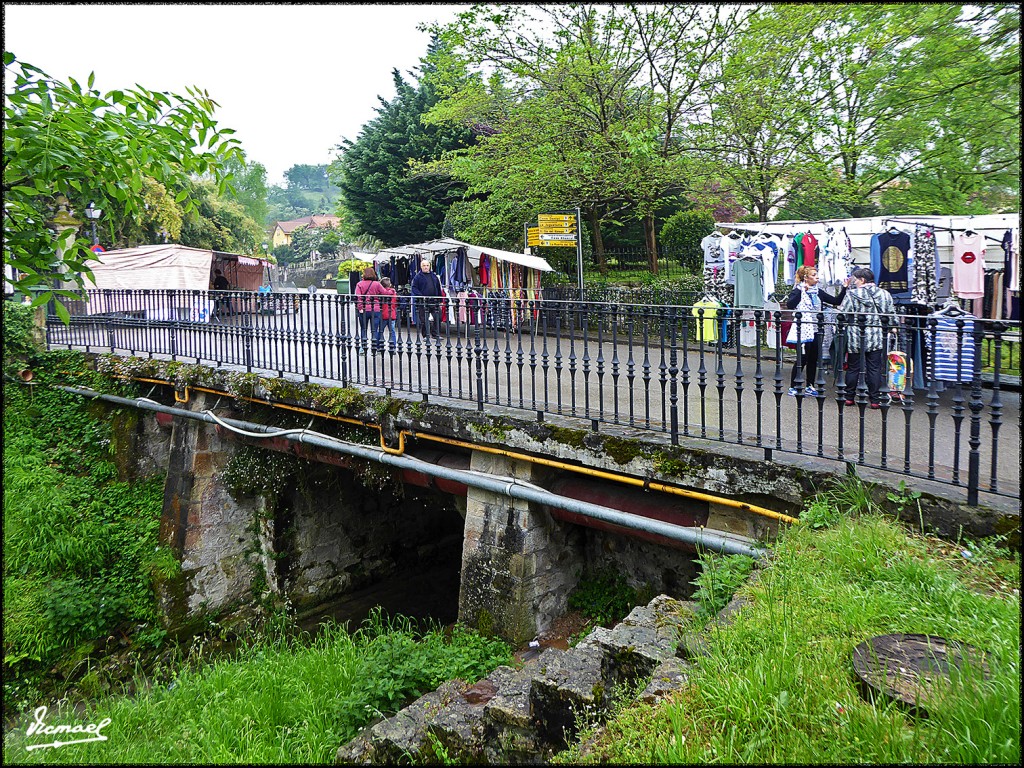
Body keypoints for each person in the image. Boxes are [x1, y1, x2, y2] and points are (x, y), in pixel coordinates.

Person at [784, 265, 847, 396]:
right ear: (806, 277)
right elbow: (790, 305)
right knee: (802, 358)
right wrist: (802, 291)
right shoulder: (798, 290)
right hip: (804, 329)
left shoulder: (818, 291)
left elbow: (836, 301)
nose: (817, 277)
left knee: (813, 359)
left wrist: (845, 287)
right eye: (813, 275)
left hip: (817, 329)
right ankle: (793, 386)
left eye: (816, 274)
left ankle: (810, 385)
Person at [839, 267, 896, 408]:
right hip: (876, 335)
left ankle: (849, 397)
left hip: (856, 335)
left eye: (856, 280)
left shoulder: (852, 294)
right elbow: (891, 315)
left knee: (853, 367)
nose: (854, 283)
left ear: (862, 280)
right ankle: (875, 400)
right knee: (874, 368)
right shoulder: (885, 294)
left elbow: (844, 314)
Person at [410, 258, 443, 339]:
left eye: (427, 265)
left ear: (430, 266)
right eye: (424, 265)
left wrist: (440, 299)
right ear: (421, 266)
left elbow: (438, 288)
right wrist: (421, 296)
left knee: (438, 317)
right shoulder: (418, 277)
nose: (426, 267)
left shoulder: (434, 276)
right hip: (423, 301)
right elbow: (414, 288)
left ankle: (435, 334)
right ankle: (425, 335)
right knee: (424, 319)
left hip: (434, 301)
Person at [354, 267, 385, 351]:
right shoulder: (377, 284)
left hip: (363, 309)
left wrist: (360, 307)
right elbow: (384, 293)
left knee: (363, 328)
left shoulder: (359, 284)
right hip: (375, 309)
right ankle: (374, 346)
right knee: (374, 329)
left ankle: (363, 348)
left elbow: (358, 297)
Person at [378, 277, 399, 349]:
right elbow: (396, 303)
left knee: (380, 331)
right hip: (392, 314)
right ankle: (393, 347)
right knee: (392, 331)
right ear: (390, 284)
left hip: (383, 314)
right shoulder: (393, 292)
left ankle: (379, 346)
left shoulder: (381, 293)